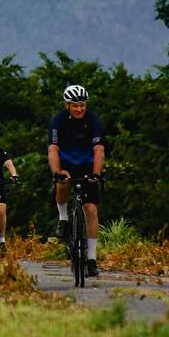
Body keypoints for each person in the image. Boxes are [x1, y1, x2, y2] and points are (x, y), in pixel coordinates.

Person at [48, 84, 105, 277]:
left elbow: (99, 150)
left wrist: (96, 173)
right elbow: (53, 149)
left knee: (90, 209)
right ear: (67, 105)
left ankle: (91, 258)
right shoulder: (58, 121)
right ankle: (63, 218)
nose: (79, 109)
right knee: (62, 182)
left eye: (82, 105)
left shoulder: (93, 120)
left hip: (88, 166)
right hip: (66, 164)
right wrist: (57, 171)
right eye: (75, 105)